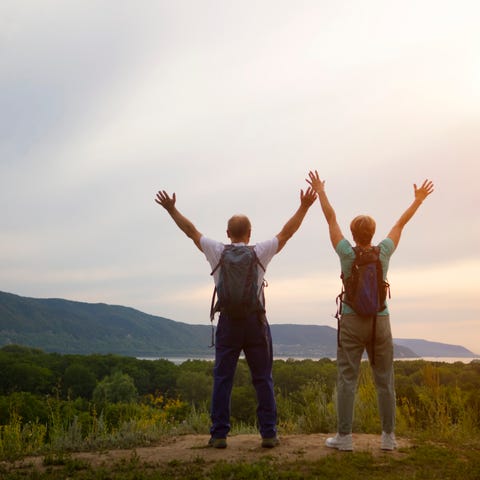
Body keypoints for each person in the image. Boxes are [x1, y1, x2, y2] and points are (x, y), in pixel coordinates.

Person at [155, 186, 317, 449]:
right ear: (250, 234)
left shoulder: (216, 251)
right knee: (262, 378)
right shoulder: (260, 252)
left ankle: (219, 435)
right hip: (255, 324)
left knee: (223, 379)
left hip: (228, 323)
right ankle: (268, 434)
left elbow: (191, 232)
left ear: (228, 234)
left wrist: (172, 209)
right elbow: (287, 233)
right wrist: (305, 207)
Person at [306, 170, 434, 451]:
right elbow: (401, 223)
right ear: (373, 233)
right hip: (380, 320)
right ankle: (388, 438)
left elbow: (331, 219)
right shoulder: (384, 251)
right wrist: (418, 200)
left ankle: (344, 438)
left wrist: (321, 191)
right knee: (384, 380)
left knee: (347, 378)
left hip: (352, 321)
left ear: (353, 234)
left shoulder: (346, 253)